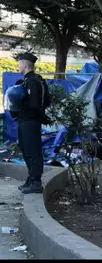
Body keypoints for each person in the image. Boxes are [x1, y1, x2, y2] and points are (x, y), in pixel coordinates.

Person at [13, 52, 49, 194]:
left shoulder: (33, 81)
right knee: (26, 149)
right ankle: (31, 178)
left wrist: (21, 103)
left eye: (19, 63)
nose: (18, 66)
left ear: (25, 65)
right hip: (25, 120)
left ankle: (36, 182)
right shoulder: (27, 81)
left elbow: (35, 104)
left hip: (31, 121)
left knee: (33, 151)